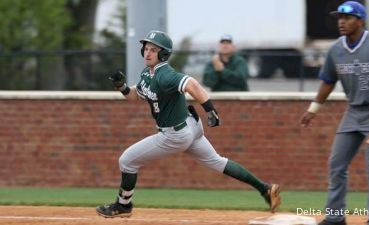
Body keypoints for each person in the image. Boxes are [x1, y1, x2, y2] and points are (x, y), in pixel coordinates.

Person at [95, 30, 281, 218]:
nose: (148, 53)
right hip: (189, 126)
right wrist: (122, 87)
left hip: (174, 135)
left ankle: (123, 205)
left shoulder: (164, 74)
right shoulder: (148, 74)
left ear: (164, 54)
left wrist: (210, 109)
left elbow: (192, 84)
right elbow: (135, 96)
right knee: (218, 162)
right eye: (146, 48)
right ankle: (265, 188)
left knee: (127, 161)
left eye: (153, 49)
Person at [300, 2, 369, 225]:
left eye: (348, 18)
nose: (341, 22)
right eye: (339, 18)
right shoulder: (336, 49)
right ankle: (335, 217)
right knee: (336, 164)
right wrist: (313, 109)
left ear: (361, 21)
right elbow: (328, 81)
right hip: (353, 111)